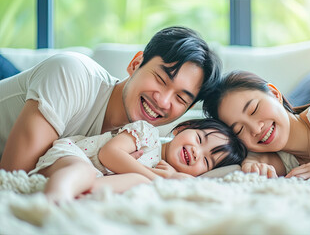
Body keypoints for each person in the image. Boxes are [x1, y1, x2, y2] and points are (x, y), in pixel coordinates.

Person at [0, 26, 221, 173]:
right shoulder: (72, 74)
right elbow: (14, 177)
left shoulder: (142, 145)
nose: (163, 102)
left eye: (181, 98)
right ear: (136, 64)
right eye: (161, 79)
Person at [28, 118, 247, 202]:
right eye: (199, 139)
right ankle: (55, 198)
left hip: (92, 178)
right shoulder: (148, 135)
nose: (197, 152)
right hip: (72, 156)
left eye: (207, 161)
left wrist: (168, 177)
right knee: (84, 172)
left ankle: (77, 197)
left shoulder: (157, 176)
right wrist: (156, 178)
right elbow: (108, 154)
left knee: (137, 181)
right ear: (182, 128)